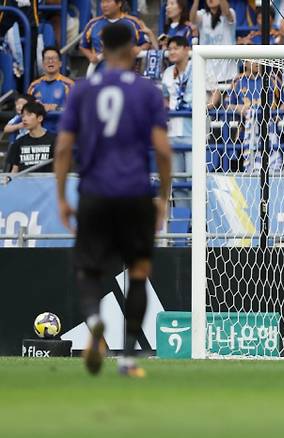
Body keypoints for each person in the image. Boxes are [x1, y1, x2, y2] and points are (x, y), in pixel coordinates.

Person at [55, 23, 172, 378]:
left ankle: (95, 322)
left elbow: (63, 147)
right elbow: (163, 150)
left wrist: (61, 197)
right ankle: (127, 360)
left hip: (94, 192)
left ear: (102, 50)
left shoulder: (82, 89)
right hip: (135, 193)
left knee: (88, 268)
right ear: (134, 48)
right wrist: (163, 197)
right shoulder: (147, 91)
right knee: (138, 272)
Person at [80, 0, 154, 74]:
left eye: (108, 1)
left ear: (119, 3)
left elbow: (147, 43)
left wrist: (139, 48)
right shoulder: (93, 23)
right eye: (102, 2)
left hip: (128, 74)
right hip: (100, 73)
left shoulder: (133, 22)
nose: (104, 5)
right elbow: (83, 46)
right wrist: (90, 56)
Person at [190, 0, 237, 93]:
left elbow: (226, 12)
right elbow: (192, 19)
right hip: (208, 74)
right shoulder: (202, 14)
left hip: (228, 73)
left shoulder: (231, 12)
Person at [161, 36, 192, 171]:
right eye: (170, 49)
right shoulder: (167, 72)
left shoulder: (199, 66)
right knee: (176, 178)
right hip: (172, 131)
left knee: (194, 177)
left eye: (176, 48)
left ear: (187, 49)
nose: (172, 52)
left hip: (193, 131)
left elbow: (215, 92)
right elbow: (165, 97)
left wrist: (206, 108)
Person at [5, 102, 56, 173]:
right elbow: (15, 170)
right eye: (23, 116)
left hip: (47, 179)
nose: (24, 119)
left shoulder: (55, 140)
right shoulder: (18, 142)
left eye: (29, 115)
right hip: (24, 180)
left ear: (40, 118)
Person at [28, 48, 75, 112]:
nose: (50, 61)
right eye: (47, 58)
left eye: (54, 58)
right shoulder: (34, 86)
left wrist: (56, 108)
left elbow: (75, 110)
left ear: (60, 63)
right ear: (43, 63)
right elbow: (27, 111)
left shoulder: (69, 85)